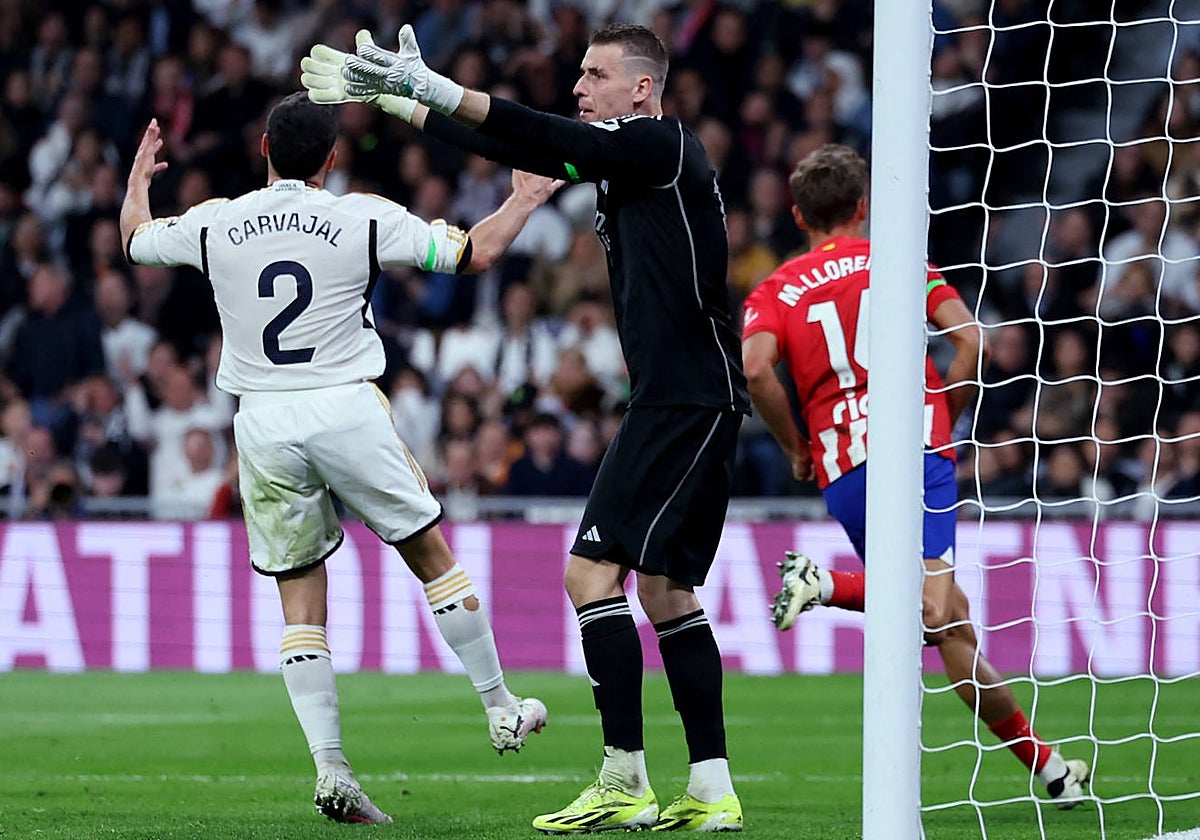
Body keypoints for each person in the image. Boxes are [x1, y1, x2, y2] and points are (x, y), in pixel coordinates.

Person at [300, 22, 749, 833]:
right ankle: (712, 788)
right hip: (695, 394)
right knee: (666, 590)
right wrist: (404, 102)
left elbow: (541, 132)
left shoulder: (660, 143)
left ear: (641, 87)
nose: (579, 86)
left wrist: (432, 86)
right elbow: (522, 143)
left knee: (589, 577)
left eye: (596, 74)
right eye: (579, 74)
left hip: (681, 397)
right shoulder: (628, 156)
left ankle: (623, 779)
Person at [120, 95, 561, 825]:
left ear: (264, 148)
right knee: (432, 558)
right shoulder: (362, 215)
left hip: (261, 419)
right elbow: (472, 253)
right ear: (332, 157)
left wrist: (138, 183)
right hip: (345, 404)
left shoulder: (216, 220)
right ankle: (500, 707)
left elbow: (135, 242)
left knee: (299, 597)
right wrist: (522, 200)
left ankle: (331, 769)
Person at [740, 143, 1091, 809]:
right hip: (916, 455)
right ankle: (826, 584)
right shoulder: (900, 263)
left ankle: (1048, 767)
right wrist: (941, 415)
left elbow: (756, 368)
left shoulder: (776, 288)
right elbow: (972, 341)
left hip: (843, 467)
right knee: (931, 607)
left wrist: (796, 447)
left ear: (796, 215)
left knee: (948, 626)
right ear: (865, 208)